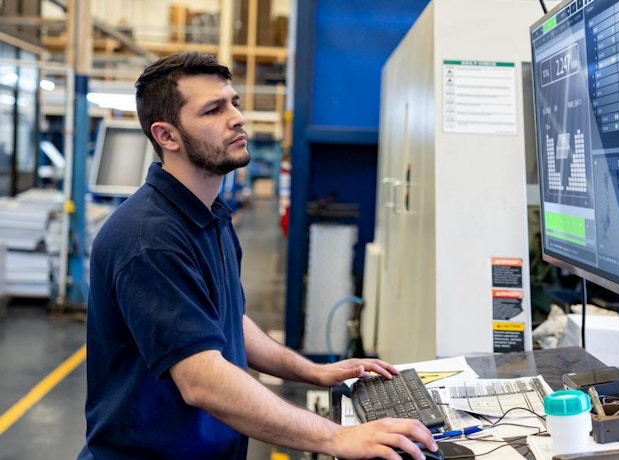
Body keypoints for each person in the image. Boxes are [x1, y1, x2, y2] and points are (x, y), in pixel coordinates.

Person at [78, 51, 437, 460]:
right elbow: (202, 381)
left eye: (234, 102)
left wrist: (314, 372)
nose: (237, 117)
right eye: (213, 109)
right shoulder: (149, 239)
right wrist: (336, 438)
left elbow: (225, 322)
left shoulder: (209, 214)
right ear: (167, 136)